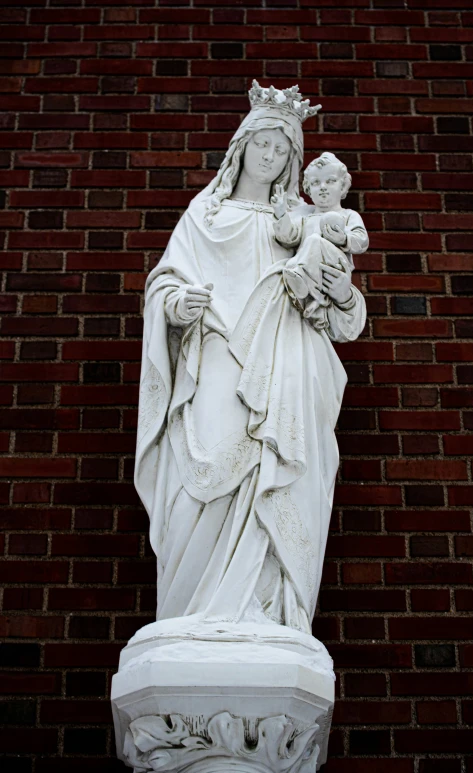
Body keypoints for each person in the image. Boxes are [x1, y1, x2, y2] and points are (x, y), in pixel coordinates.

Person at [134, 81, 367, 635]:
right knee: (206, 465)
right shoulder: (204, 215)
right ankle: (190, 614)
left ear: (294, 159)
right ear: (241, 145)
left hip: (289, 365)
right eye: (263, 142)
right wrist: (176, 305)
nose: (271, 156)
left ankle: (270, 615)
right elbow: (164, 285)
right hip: (217, 355)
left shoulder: (307, 221)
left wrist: (338, 291)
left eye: (283, 148)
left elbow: (347, 321)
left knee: (283, 474)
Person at [271, 152, 369, 330]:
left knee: (314, 241)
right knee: (311, 243)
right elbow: (289, 236)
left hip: (334, 267)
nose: (322, 187)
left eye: (330, 181)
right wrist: (280, 213)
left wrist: (344, 238)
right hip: (313, 271)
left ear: (343, 186)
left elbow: (361, 240)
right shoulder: (305, 218)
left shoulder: (348, 215)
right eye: (316, 183)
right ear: (308, 189)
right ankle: (312, 302)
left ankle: (300, 278)